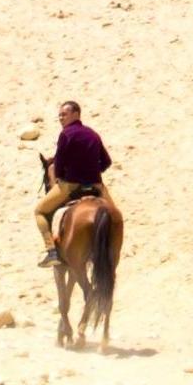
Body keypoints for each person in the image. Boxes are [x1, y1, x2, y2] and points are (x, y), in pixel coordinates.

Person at [36, 100, 112, 264]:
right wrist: (92, 172)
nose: (61, 118)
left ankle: (52, 252)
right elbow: (106, 162)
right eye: (59, 115)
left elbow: (60, 163)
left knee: (39, 211)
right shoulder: (93, 134)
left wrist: (62, 177)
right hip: (96, 184)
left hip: (71, 184)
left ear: (76, 114)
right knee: (114, 214)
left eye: (64, 114)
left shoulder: (66, 134)